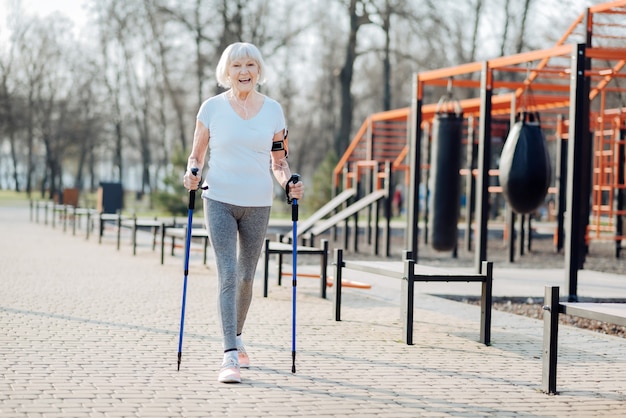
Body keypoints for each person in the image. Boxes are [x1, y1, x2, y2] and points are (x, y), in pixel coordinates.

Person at [183, 42, 304, 384]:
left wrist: (289, 182)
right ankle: (229, 356)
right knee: (229, 273)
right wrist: (191, 173)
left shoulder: (273, 112)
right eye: (237, 66)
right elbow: (196, 156)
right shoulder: (211, 109)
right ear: (227, 72)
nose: (244, 71)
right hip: (218, 198)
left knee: (248, 277)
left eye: (250, 64)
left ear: (258, 70)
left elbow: (279, 161)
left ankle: (235, 335)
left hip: (257, 204)